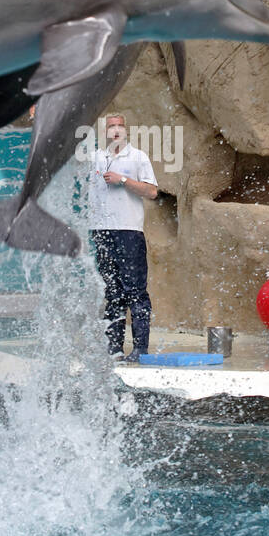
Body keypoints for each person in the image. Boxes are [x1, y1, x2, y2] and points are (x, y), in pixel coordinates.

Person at [88, 113, 158, 362]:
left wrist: (124, 180)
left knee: (135, 290)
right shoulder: (95, 158)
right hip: (102, 231)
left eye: (120, 126)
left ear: (127, 130)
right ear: (104, 132)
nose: (116, 130)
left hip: (129, 230)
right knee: (112, 291)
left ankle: (140, 349)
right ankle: (114, 349)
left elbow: (151, 191)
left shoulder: (137, 157)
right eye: (111, 127)